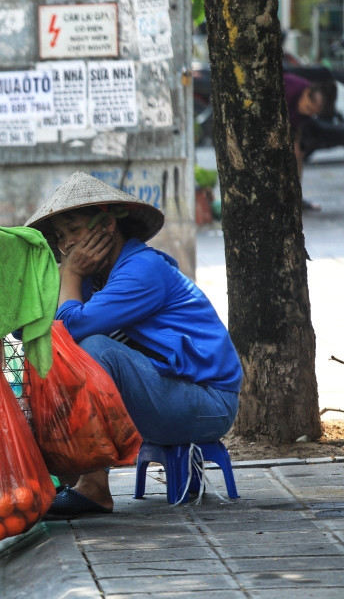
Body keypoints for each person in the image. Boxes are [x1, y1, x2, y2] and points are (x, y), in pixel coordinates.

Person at [23, 171, 243, 517]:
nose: (66, 246)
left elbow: (71, 328)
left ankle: (94, 487)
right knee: (52, 355)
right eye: (61, 237)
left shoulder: (142, 269)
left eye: (74, 230)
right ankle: (65, 477)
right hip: (167, 394)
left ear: (107, 225)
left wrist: (71, 274)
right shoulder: (96, 278)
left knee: (93, 348)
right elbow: (35, 328)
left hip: (207, 403)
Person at [284, 72, 335, 211]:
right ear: (306, 93)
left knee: (298, 155)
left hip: (291, 127)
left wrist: (295, 144)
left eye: (312, 113)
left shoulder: (306, 113)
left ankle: (295, 196)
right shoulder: (290, 88)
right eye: (308, 108)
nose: (308, 113)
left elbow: (298, 127)